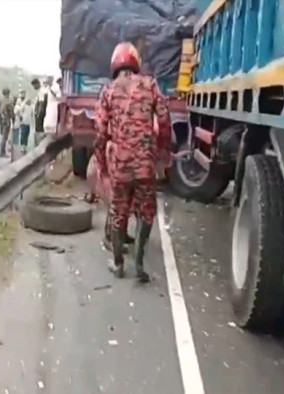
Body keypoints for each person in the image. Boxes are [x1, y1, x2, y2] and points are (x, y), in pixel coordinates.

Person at [94, 42, 171, 282]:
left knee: (119, 211)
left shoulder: (108, 90)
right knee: (146, 212)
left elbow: (99, 131)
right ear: (136, 62)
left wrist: (102, 165)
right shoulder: (150, 84)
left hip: (120, 164)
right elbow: (165, 120)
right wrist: (161, 150)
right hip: (145, 163)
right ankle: (138, 262)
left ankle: (118, 265)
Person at [0, 88, 15, 158]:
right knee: (5, 136)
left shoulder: (0, 100)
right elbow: (11, 111)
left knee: (4, 136)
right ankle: (2, 152)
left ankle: (2, 151)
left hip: (2, 119)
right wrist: (13, 118)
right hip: (7, 119)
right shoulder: (9, 101)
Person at [32, 78, 46, 145]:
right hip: (40, 114)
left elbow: (41, 104)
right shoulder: (41, 91)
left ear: (37, 84)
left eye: (34, 86)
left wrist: (38, 114)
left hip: (40, 115)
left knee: (39, 131)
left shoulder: (41, 91)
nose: (34, 87)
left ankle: (39, 145)